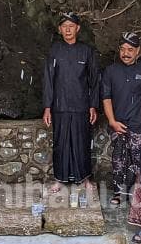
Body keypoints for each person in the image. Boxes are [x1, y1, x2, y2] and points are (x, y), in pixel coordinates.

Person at [42, 11, 100, 192]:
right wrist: (47, 107)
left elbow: (94, 80)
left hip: (81, 106)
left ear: (78, 28)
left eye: (71, 26)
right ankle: (59, 179)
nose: (68, 30)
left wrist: (93, 105)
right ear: (60, 29)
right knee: (61, 143)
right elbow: (48, 80)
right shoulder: (55, 50)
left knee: (82, 142)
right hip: (60, 106)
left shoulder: (86, 51)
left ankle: (85, 178)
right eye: (64, 26)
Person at [101, 31, 141, 206]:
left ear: (138, 50)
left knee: (138, 160)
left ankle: (137, 194)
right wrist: (112, 121)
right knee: (118, 159)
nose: (126, 53)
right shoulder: (110, 71)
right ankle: (119, 193)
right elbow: (106, 98)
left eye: (130, 50)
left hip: (138, 123)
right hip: (117, 124)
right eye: (123, 49)